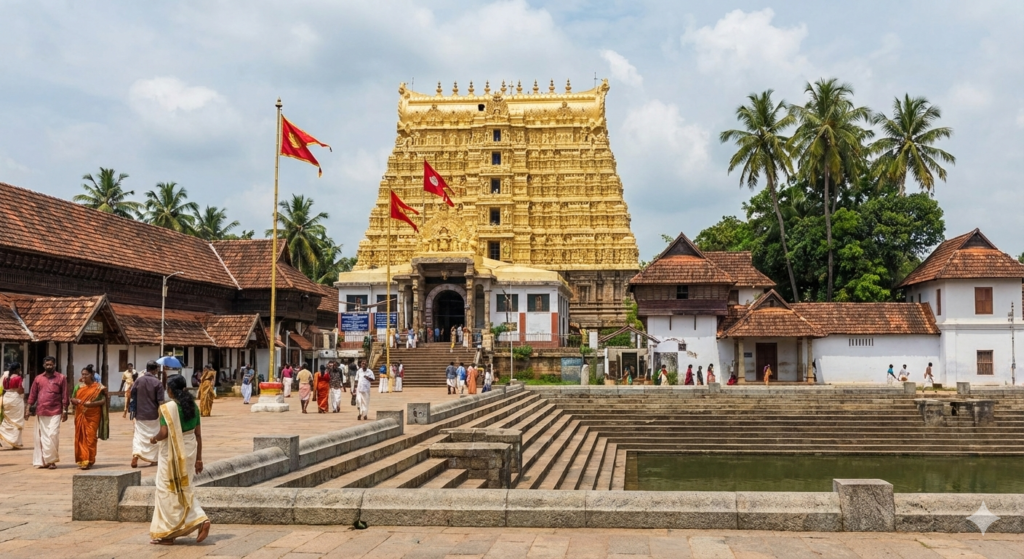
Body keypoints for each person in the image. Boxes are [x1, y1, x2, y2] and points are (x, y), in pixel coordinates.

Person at [149, 374, 210, 546]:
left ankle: (171, 533)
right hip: (190, 449)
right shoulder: (193, 406)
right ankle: (196, 521)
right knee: (184, 486)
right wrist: (199, 459)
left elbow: (164, 433)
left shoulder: (168, 408)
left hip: (172, 452)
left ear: (170, 390)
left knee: (166, 489)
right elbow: (198, 435)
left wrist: (153, 439)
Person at [27, 356, 69, 469]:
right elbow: (33, 394)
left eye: (51, 364)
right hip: (41, 410)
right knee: (43, 437)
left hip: (56, 410)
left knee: (53, 435)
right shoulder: (38, 378)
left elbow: (65, 395)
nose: (49, 366)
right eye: (47, 364)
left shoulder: (61, 378)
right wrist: (28, 408)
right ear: (43, 365)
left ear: (54, 365)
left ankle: (52, 459)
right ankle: (47, 461)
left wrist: (65, 410)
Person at [71, 366, 108, 470]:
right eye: (82, 374)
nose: (84, 376)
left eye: (86, 374)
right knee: (80, 437)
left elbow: (103, 401)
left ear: (92, 375)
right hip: (80, 415)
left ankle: (90, 459)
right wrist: (75, 401)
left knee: (91, 438)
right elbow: (72, 398)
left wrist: (92, 404)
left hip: (93, 415)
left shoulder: (98, 387)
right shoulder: (78, 386)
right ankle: (83, 459)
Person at [131, 360, 165, 468]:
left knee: (138, 436)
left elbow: (132, 394)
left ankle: (136, 455)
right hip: (153, 414)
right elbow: (161, 401)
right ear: (155, 370)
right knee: (153, 436)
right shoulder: (157, 383)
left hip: (140, 414)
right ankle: (153, 459)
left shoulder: (138, 380)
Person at [0, 363, 26, 449]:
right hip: (15, 398)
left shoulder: (6, 378)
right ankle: (14, 441)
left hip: (6, 397)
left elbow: (3, 387)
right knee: (17, 420)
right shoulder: (18, 378)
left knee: (8, 420)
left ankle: (14, 441)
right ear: (17, 369)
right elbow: (20, 390)